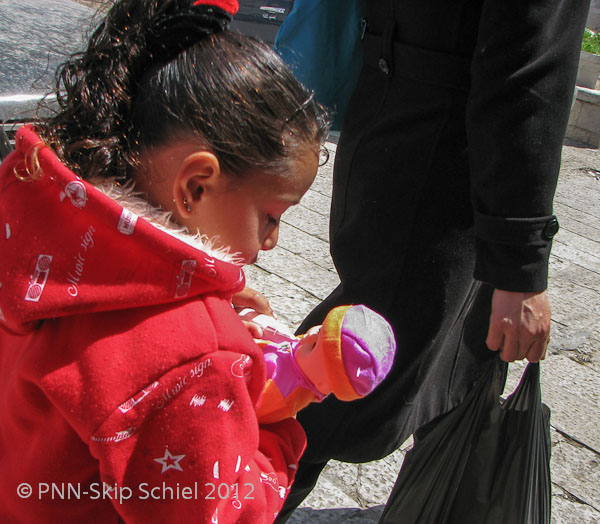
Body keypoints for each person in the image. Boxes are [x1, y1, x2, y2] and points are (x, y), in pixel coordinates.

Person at [0, 0, 329, 522]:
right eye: (270, 215)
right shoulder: (196, 360)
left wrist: (190, 293)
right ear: (195, 185)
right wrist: (274, 425)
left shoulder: (31, 219)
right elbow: (221, 511)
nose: (271, 241)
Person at [274, 0, 592, 521]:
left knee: (447, 366)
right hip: (448, 165)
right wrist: (520, 266)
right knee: (345, 370)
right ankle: (218, 493)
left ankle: (435, 505)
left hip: (396, 123)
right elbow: (528, 66)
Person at [239, 305, 396, 423]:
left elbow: (239, 408)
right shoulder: (303, 357)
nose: (312, 334)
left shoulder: (282, 394)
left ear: (323, 384)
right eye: (321, 328)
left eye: (315, 345)